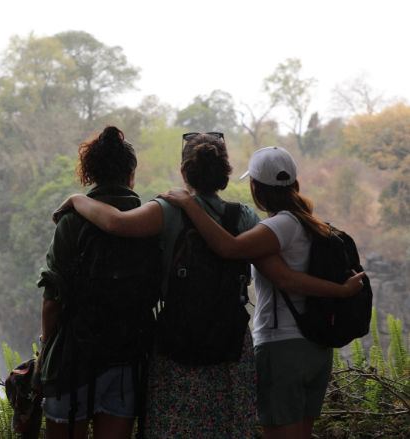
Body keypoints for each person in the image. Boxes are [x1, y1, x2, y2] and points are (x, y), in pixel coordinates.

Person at [53, 134, 363, 438]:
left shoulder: (166, 210)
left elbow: (115, 223)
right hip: (230, 350)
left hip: (177, 347)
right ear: (225, 175)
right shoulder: (244, 217)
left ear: (184, 173)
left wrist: (78, 200)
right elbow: (279, 274)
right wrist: (339, 290)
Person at [157, 146, 365, 439]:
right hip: (317, 349)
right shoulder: (311, 224)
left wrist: (190, 205)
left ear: (255, 188)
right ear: (295, 184)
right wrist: (340, 291)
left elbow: (229, 248)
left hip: (282, 350)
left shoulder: (279, 226)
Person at [37, 125, 157, 439]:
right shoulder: (151, 220)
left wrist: (46, 350)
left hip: (73, 359)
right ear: (131, 174)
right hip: (128, 359)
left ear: (90, 174)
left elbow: (52, 300)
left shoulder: (71, 222)